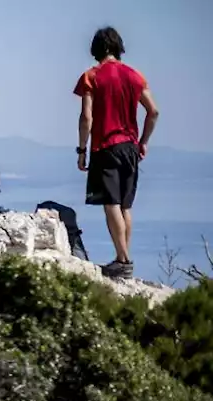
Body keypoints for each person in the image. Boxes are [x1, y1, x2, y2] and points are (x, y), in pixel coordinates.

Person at [73, 26, 160, 280]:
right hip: (130, 147)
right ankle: (123, 259)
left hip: (106, 147)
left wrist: (81, 150)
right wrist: (143, 141)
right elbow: (153, 112)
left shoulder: (92, 76)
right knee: (125, 206)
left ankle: (123, 261)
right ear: (118, 47)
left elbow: (86, 117)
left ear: (97, 49)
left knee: (110, 203)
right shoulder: (134, 76)